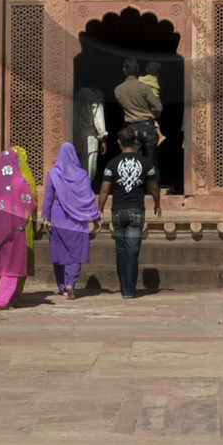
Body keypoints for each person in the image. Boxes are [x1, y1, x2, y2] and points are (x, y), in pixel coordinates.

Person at [100, 126, 160, 300]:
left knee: (121, 251)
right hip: (136, 211)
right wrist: (157, 204)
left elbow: (104, 190)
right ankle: (129, 291)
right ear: (135, 142)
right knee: (132, 252)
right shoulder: (146, 163)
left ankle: (124, 288)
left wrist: (100, 210)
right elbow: (154, 186)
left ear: (118, 143)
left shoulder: (112, 164)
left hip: (118, 211)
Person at [0, 147, 35, 309]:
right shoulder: (20, 181)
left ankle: (6, 296)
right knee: (13, 263)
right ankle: (3, 300)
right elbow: (30, 201)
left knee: (2, 263)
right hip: (15, 229)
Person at [40, 140, 97, 299]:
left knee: (60, 252)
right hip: (77, 218)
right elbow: (88, 197)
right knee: (75, 252)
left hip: (58, 218)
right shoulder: (82, 175)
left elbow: (48, 198)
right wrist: (95, 216)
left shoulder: (53, 174)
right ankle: (71, 282)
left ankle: (63, 287)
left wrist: (45, 218)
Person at [114, 61, 162, 166]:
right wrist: (153, 115)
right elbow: (158, 107)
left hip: (131, 128)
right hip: (147, 126)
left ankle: (136, 181)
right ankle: (152, 181)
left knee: (134, 162)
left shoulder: (118, 90)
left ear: (124, 70)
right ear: (137, 70)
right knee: (151, 163)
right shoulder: (144, 88)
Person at [74, 81, 107, 187]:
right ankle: (84, 191)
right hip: (90, 139)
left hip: (74, 138)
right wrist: (103, 139)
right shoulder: (94, 99)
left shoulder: (73, 97)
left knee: (75, 167)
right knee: (88, 170)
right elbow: (99, 122)